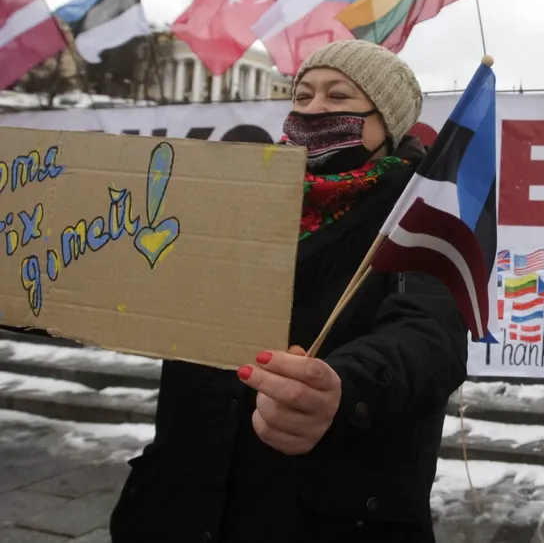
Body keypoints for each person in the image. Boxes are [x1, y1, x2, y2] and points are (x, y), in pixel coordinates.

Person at [108, 41, 467, 543]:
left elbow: (430, 335)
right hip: (179, 502)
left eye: (338, 97)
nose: (313, 109)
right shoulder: (238, 194)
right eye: (302, 95)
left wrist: (344, 388)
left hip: (321, 513)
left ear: (387, 122)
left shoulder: (421, 216)